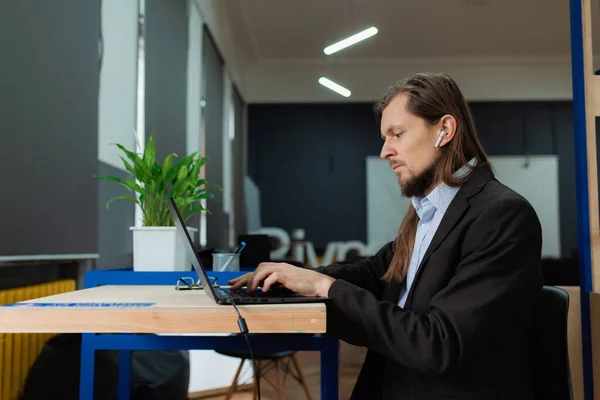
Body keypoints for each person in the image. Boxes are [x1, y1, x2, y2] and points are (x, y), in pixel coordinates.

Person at [228, 72, 543, 400]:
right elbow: (373, 273)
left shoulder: (501, 216)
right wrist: (297, 278)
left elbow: (439, 343)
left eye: (397, 134)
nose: (385, 151)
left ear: (445, 130)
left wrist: (325, 287)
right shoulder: (428, 213)